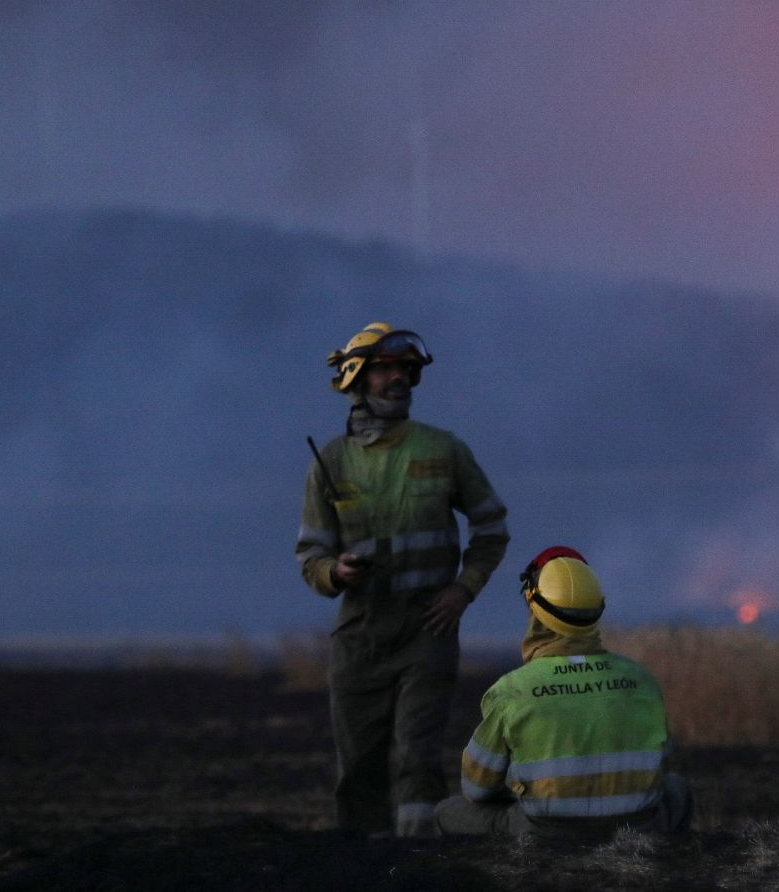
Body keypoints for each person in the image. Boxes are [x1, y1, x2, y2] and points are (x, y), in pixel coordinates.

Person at [296, 322, 510, 837]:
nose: (398, 380)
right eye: (385, 369)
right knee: (359, 769)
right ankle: (363, 868)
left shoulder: (443, 450)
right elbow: (311, 555)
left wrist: (463, 590)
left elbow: (492, 527)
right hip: (360, 635)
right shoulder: (331, 461)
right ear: (357, 379)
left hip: (427, 632)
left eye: (404, 370)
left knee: (418, 759)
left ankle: (419, 869)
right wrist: (336, 572)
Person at [435, 546, 692, 838]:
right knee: (677, 789)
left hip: (545, 831)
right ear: (598, 609)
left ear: (536, 611)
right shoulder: (642, 681)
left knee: (448, 811)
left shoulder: (511, 690)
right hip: (639, 827)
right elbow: (663, 764)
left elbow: (475, 788)